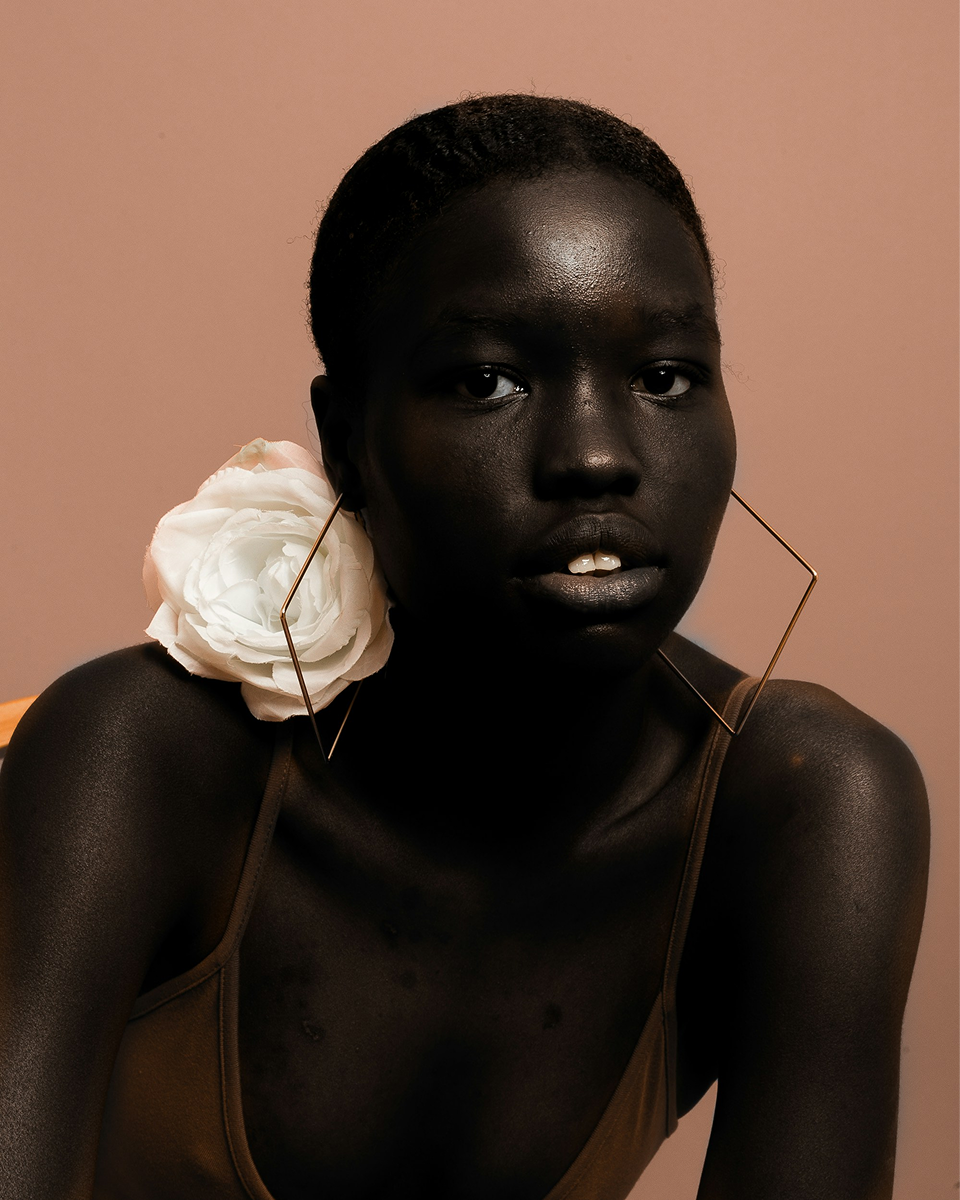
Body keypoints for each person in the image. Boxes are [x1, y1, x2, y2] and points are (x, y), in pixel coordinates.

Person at [0, 95, 929, 1200]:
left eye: (666, 376)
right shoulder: (144, 758)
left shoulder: (800, 801)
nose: (595, 457)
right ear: (348, 440)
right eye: (489, 380)